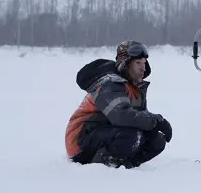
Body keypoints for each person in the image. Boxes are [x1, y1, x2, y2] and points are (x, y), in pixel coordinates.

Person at [65, 40, 173, 168]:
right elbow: (122, 116)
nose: (143, 68)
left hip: (107, 133)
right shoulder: (110, 84)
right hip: (81, 141)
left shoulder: (134, 88)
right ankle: (102, 168)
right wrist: (156, 121)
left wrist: (156, 123)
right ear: (125, 64)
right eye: (138, 63)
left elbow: (139, 116)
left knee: (156, 140)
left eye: (144, 63)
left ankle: (125, 166)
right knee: (130, 136)